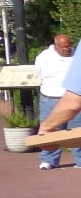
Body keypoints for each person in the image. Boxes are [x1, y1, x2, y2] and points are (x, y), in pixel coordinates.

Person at [35, 33, 79, 169]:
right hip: (51, 98)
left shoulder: (76, 56)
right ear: (56, 46)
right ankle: (49, 160)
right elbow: (39, 74)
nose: (67, 50)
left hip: (73, 98)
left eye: (69, 46)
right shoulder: (44, 57)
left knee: (77, 130)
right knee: (51, 130)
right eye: (64, 47)